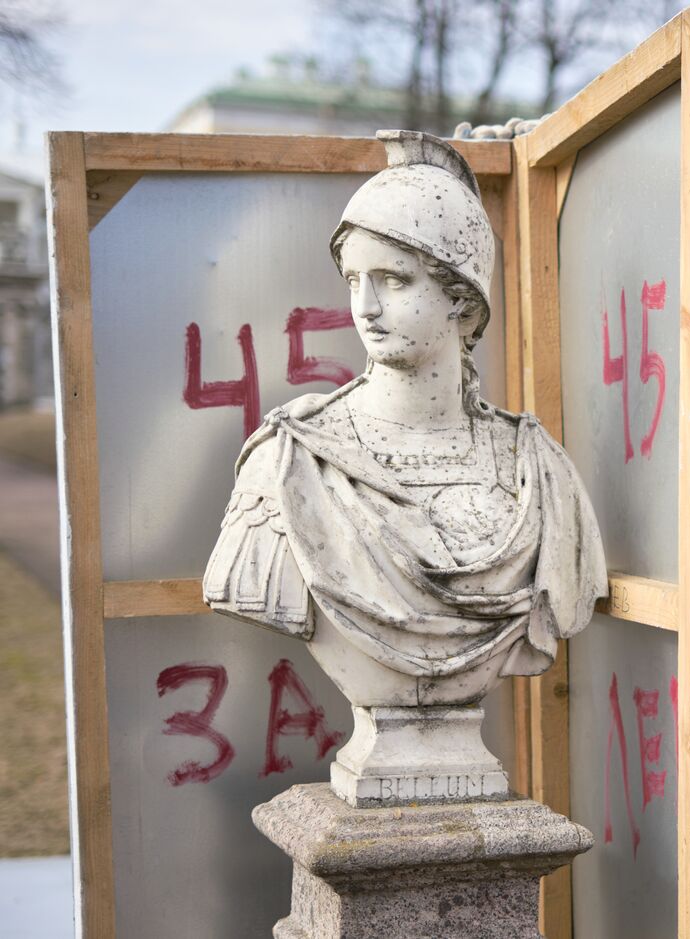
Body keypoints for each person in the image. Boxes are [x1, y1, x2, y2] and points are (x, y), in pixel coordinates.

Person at [204, 132, 606, 795]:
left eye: (392, 279)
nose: (364, 307)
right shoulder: (289, 460)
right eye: (354, 280)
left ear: (461, 297)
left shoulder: (538, 470)